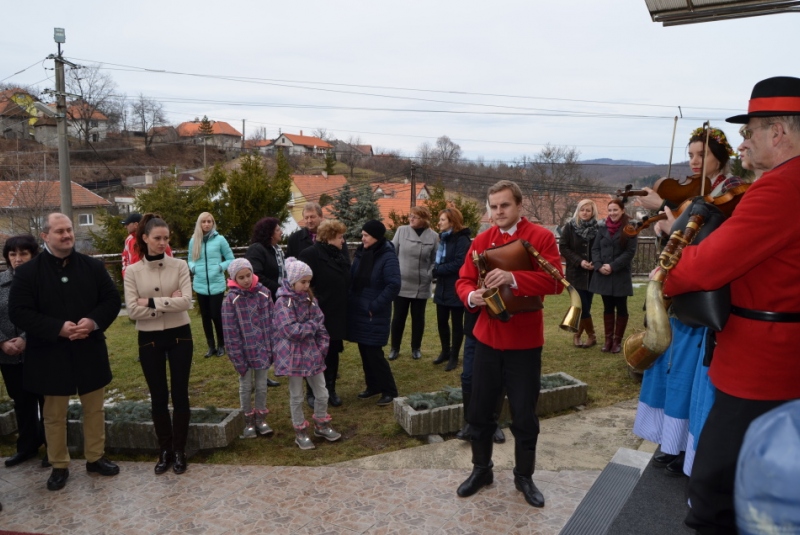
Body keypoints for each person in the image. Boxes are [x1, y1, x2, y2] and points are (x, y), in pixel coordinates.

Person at [662, 76, 800, 534]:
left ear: (777, 133)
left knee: (714, 497)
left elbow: (703, 269)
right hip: (783, 358)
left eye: (748, 131)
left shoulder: (781, 187)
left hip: (762, 366)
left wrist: (667, 272)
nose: (742, 140)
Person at [633, 126, 742, 478]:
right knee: (669, 371)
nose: (694, 162)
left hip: (700, 298)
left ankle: (683, 447)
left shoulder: (731, 191)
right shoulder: (695, 194)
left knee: (688, 377)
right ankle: (670, 441)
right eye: (691, 155)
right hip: (679, 296)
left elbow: (712, 243)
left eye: (702, 155)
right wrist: (665, 226)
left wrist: (666, 210)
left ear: (720, 159)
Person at [455, 180, 564, 508]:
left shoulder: (540, 237)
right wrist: (471, 296)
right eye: (493, 206)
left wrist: (513, 278)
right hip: (487, 339)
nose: (498, 212)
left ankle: (524, 476)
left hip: (525, 343)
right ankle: (481, 469)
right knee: (479, 410)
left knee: (524, 414)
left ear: (519, 206)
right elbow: (462, 279)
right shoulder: (481, 240)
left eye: (504, 205)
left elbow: (556, 281)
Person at [9, 213, 121, 492]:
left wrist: (92, 322)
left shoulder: (93, 267)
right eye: (60, 231)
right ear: (45, 236)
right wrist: (57, 328)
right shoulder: (27, 273)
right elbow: (19, 312)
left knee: (94, 409)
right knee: (54, 414)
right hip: (49, 353)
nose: (67, 235)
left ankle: (95, 458)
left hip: (89, 348)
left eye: (69, 230)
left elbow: (111, 299)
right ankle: (59, 464)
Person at [124, 214, 194, 475]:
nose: (162, 243)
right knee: (158, 396)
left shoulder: (180, 266)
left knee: (180, 393)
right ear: (144, 238)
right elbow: (132, 310)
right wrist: (167, 302)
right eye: (157, 238)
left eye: (166, 238)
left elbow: (186, 301)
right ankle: (164, 449)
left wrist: (151, 302)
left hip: (180, 335)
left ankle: (180, 449)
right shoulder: (133, 271)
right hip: (149, 337)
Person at [272, 258, 341, 450]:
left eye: (308, 281)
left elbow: (321, 323)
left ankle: (321, 423)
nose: (306, 285)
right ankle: (300, 431)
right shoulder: (283, 303)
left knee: (322, 392)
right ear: (293, 281)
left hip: (312, 354)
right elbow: (290, 330)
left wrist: (321, 347)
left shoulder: (311, 300)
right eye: (303, 281)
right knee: (297, 395)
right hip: (292, 356)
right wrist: (311, 326)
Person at [0, 235, 45, 468]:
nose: (18, 259)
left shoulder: (43, 282)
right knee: (22, 401)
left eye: (23, 254)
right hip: (8, 355)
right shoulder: (0, 283)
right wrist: (2, 342)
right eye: (13, 254)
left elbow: (49, 315)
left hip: (39, 351)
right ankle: (27, 446)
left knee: (47, 400)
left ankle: (54, 447)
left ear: (33, 255)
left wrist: (27, 339)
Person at [347, 220, 401, 406]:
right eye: (362, 235)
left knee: (374, 353)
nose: (362, 239)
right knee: (364, 351)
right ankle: (373, 385)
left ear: (376, 237)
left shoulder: (387, 256)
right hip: (360, 310)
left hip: (373, 312)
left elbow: (394, 285)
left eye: (366, 235)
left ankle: (389, 390)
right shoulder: (363, 253)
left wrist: (374, 306)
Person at [298, 219, 350, 408]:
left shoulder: (340, 254)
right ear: (329, 238)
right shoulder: (309, 255)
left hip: (336, 313)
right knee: (316, 354)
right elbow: (303, 285)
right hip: (317, 314)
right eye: (339, 237)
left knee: (333, 352)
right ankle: (312, 391)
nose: (343, 241)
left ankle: (331, 389)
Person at [221, 258, 274, 439]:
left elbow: (271, 321)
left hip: (263, 350)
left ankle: (261, 418)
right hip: (244, 352)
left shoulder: (265, 294)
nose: (245, 280)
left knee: (261, 385)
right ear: (234, 278)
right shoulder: (231, 300)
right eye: (241, 277)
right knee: (246, 386)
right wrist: (237, 357)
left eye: (248, 275)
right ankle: (248, 420)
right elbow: (230, 332)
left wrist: (271, 347)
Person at [388, 206, 439, 361]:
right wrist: (394, 274)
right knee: (398, 318)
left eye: (415, 217)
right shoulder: (401, 231)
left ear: (424, 219)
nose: (411, 218)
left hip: (421, 285)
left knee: (418, 318)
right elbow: (392, 253)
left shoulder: (434, 236)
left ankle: (416, 348)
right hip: (401, 284)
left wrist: (429, 274)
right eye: (410, 215)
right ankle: (394, 348)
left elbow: (435, 260)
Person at [588, 199, 637, 353]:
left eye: (615, 210)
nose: (612, 213)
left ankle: (617, 341)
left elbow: (630, 252)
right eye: (610, 210)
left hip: (620, 275)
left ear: (622, 210)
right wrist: (598, 265)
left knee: (621, 307)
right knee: (607, 307)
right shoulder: (602, 228)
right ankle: (608, 340)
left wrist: (612, 266)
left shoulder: (630, 229)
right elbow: (595, 249)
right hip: (603, 274)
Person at [188, 212, 234, 358]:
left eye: (209, 221)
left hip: (216, 284)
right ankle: (211, 346)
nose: (207, 224)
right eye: (204, 222)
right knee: (205, 316)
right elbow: (190, 259)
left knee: (216, 315)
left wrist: (220, 267)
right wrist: (193, 268)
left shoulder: (220, 240)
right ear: (199, 224)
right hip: (200, 284)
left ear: (213, 223)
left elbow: (230, 258)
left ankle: (222, 344)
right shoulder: (194, 240)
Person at [431, 207, 471, 371]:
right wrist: (437, 269)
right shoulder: (443, 239)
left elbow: (459, 263)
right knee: (441, 321)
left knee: (456, 324)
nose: (439, 222)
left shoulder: (463, 240)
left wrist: (438, 270)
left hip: (456, 287)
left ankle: (454, 356)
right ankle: (445, 352)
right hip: (441, 287)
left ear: (452, 221)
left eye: (442, 220)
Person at [559, 199, 600, 348]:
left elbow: (601, 248)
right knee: (580, 304)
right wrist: (580, 261)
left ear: (592, 212)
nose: (585, 213)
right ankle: (590, 335)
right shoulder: (570, 227)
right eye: (582, 210)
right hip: (575, 272)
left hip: (592, 274)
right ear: (578, 211)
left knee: (586, 306)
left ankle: (579, 334)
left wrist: (595, 262)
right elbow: (563, 247)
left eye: (588, 210)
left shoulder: (598, 228)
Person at [120, 212, 173, 278]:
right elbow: (125, 259)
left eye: (127, 224)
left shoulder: (158, 241)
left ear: (136, 225)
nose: (125, 226)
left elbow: (169, 259)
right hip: (135, 280)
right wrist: (127, 276)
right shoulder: (128, 240)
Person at [245, 217, 285, 300]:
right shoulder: (256, 249)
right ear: (269, 233)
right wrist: (278, 288)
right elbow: (256, 275)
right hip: (263, 297)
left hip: (278, 296)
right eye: (277, 230)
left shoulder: (277, 250)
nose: (281, 232)